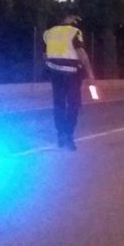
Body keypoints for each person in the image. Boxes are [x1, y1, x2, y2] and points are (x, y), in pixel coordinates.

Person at [42, 14, 95, 151]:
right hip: (72, 75)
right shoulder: (74, 32)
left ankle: (60, 134)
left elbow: (45, 54)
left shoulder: (49, 33)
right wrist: (90, 73)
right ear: (70, 19)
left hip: (55, 74)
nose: (76, 22)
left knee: (59, 104)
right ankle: (69, 135)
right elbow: (81, 54)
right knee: (73, 105)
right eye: (75, 19)